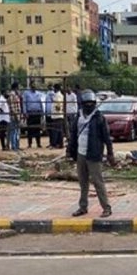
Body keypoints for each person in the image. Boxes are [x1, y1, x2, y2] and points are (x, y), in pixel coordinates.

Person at [67, 90, 115, 218]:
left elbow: (107, 137)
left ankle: (106, 208)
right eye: (86, 103)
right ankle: (83, 207)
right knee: (83, 182)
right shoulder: (78, 116)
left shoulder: (99, 117)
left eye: (91, 103)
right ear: (82, 104)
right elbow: (73, 134)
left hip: (94, 154)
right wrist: (70, 150)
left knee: (98, 182)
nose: (89, 105)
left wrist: (110, 154)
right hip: (80, 153)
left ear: (94, 103)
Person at [23, 81, 44, 148]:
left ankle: (38, 143)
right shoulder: (26, 93)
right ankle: (30, 144)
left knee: (37, 128)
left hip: (37, 113)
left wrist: (42, 112)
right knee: (30, 129)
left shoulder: (38, 93)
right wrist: (25, 113)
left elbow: (41, 103)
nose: (34, 86)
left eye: (35, 85)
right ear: (30, 86)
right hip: (30, 113)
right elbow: (24, 103)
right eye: (33, 85)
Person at [7, 82, 22, 152]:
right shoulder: (12, 96)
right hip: (14, 116)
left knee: (17, 132)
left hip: (17, 116)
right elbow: (12, 108)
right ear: (15, 88)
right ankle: (14, 146)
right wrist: (16, 116)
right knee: (14, 132)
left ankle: (17, 146)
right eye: (18, 87)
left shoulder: (16, 95)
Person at [49, 84, 66, 149]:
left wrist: (57, 107)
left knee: (55, 131)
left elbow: (58, 105)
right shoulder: (61, 95)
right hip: (59, 115)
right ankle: (60, 144)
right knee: (59, 131)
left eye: (54, 88)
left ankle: (54, 144)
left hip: (57, 115)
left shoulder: (57, 96)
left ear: (56, 88)